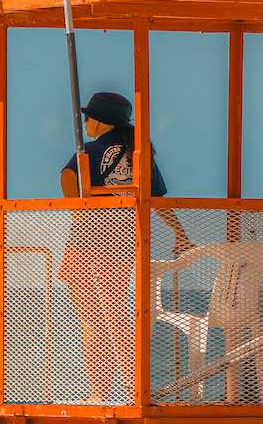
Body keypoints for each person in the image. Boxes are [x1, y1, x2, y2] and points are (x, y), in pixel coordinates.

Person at [56, 91, 191, 403]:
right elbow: (157, 197)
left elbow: (66, 177)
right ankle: (135, 388)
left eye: (88, 117)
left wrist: (80, 206)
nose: (85, 122)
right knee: (115, 315)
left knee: (92, 322)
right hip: (118, 243)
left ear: (101, 121)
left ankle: (100, 393)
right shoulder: (137, 151)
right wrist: (179, 232)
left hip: (83, 242)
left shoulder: (88, 151)